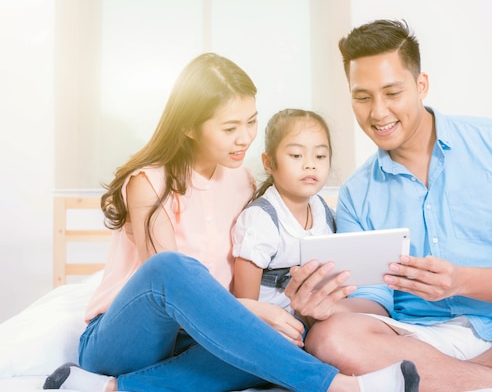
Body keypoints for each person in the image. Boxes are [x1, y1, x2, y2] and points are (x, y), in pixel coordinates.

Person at [42, 52, 420, 392]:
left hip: (197, 339)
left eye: (252, 122)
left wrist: (282, 311)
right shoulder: (149, 183)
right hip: (127, 338)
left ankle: (110, 390)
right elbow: (169, 286)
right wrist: (254, 312)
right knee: (172, 269)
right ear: (190, 127)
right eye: (229, 129)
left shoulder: (243, 180)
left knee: (281, 343)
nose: (245, 139)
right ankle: (341, 388)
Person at [284, 19, 492, 391]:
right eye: (362, 97)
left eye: (392, 93)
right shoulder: (356, 193)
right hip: (422, 337)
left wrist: (459, 280)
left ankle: (453, 377)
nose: (378, 112)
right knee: (327, 339)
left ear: (421, 85)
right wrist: (317, 309)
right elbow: (374, 302)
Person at [232, 108, 336, 344]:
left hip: (311, 321)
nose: (310, 165)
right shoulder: (261, 219)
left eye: (320, 156)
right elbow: (246, 305)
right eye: (296, 156)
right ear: (269, 163)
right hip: (269, 329)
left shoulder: (324, 211)